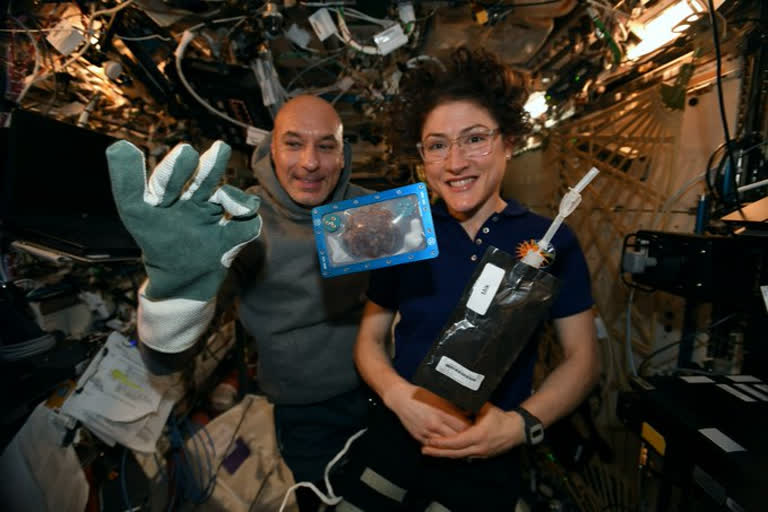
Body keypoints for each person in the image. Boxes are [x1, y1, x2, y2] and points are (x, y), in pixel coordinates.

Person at [332, 48, 601, 511]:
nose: (455, 162)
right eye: (437, 145)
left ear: (510, 142)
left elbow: (584, 359)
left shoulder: (548, 238)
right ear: (422, 156)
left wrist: (520, 425)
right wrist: (399, 397)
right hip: (397, 435)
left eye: (474, 139)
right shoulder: (401, 230)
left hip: (488, 447)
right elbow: (369, 341)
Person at [106, 95, 371, 511]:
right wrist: (176, 291)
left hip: (388, 392)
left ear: (343, 155)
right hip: (305, 412)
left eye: (326, 145)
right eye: (294, 143)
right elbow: (165, 362)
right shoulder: (240, 221)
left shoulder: (370, 210)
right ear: (269, 151)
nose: (309, 162)